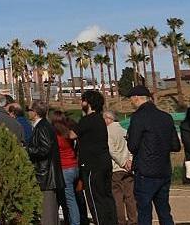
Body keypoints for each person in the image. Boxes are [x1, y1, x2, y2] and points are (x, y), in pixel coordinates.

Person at [125, 85, 180, 225]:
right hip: (164, 169)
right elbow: (176, 146)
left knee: (144, 211)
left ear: (136, 98)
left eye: (131, 99)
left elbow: (133, 146)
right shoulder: (166, 117)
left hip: (145, 170)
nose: (131, 102)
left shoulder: (138, 117)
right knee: (164, 210)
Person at [75, 90, 116, 225]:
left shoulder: (87, 120)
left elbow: (71, 135)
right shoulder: (100, 119)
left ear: (89, 103)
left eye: (83, 100)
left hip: (92, 165)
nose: (81, 103)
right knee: (107, 197)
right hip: (104, 163)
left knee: (95, 200)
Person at [25, 100, 63, 225]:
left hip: (45, 176)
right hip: (46, 174)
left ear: (35, 112)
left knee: (47, 213)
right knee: (49, 212)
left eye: (29, 110)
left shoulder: (42, 127)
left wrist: (27, 149)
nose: (27, 112)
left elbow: (45, 149)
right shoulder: (43, 125)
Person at [104, 110, 137, 225]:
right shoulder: (125, 130)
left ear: (108, 119)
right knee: (130, 197)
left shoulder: (108, 131)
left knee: (117, 198)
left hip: (116, 168)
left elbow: (111, 151)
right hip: (128, 169)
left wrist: (123, 162)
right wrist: (130, 162)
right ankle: (133, 221)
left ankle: (120, 222)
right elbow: (132, 149)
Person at [50, 110, 80, 225]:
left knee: (69, 199)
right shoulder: (68, 132)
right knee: (71, 198)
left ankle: (74, 222)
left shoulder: (55, 135)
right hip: (73, 166)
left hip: (64, 168)